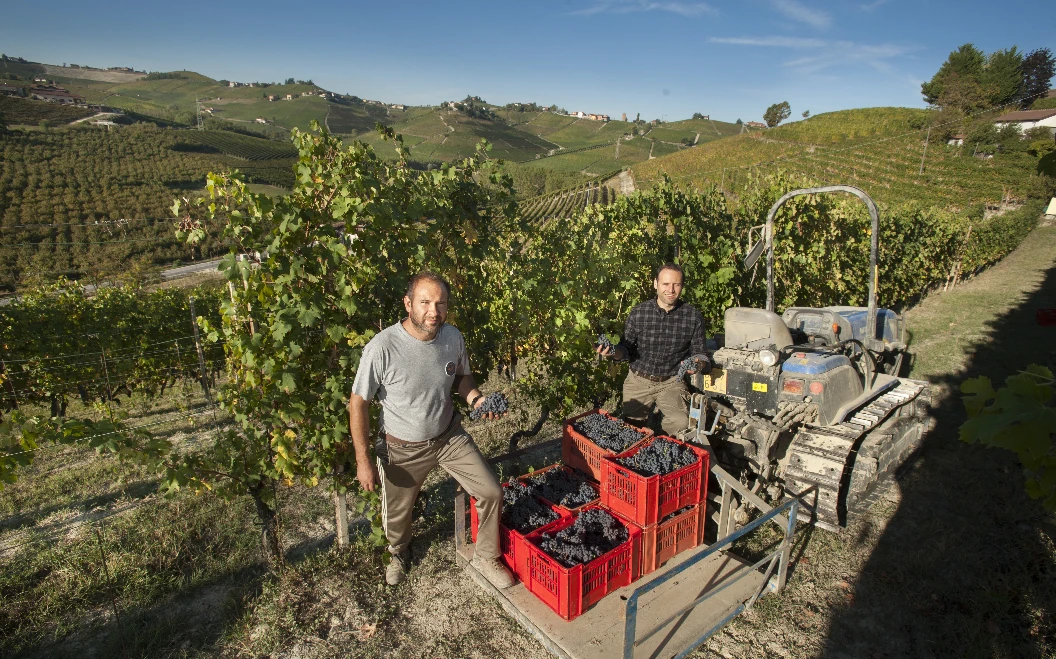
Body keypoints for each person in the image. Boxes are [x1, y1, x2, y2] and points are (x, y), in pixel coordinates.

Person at [348, 271, 513, 589]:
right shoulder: (382, 348)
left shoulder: (453, 337)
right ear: (408, 303)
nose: (433, 311)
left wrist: (476, 400)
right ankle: (398, 552)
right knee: (398, 516)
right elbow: (358, 403)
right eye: (425, 302)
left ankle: (486, 556)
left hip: (449, 436)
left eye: (440, 304)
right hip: (402, 446)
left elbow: (462, 377)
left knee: (492, 491)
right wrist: (363, 458)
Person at [596, 263, 708, 437]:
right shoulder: (639, 313)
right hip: (639, 380)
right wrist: (613, 351)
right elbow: (626, 350)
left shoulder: (693, 316)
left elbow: (700, 354)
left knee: (681, 422)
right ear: (656, 284)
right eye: (665, 284)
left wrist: (697, 364)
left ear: (682, 286)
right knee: (630, 430)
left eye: (676, 285)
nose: (670, 290)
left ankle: (664, 446)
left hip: (671, 382)